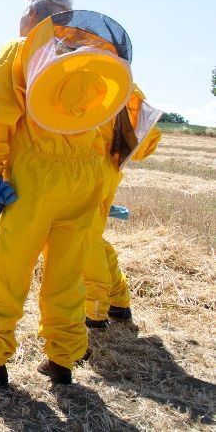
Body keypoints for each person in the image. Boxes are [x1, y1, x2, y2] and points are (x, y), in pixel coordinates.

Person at [0, 0, 108, 387]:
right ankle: (62, 359)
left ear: (32, 17)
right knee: (68, 269)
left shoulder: (19, 50)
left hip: (36, 176)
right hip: (86, 175)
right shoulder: (90, 56)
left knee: (10, 265)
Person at [82, 86, 161, 328]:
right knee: (94, 238)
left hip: (88, 171)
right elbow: (145, 141)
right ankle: (118, 301)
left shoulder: (96, 79)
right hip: (105, 169)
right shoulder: (125, 85)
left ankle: (95, 311)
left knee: (86, 241)